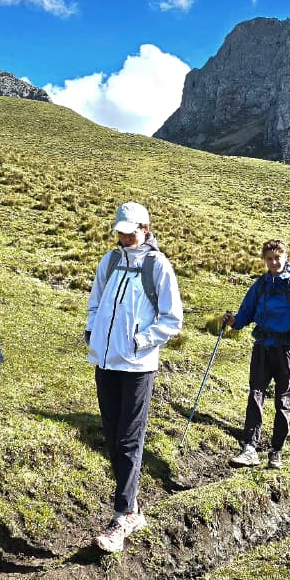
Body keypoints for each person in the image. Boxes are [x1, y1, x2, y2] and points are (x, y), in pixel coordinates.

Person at [84, 202, 183, 553]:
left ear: (146, 228)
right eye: (121, 231)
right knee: (111, 436)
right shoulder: (109, 262)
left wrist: (141, 341)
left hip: (138, 366)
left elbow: (172, 318)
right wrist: (91, 331)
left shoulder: (157, 266)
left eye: (131, 231)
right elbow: (95, 302)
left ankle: (123, 515)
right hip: (106, 361)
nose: (125, 237)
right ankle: (133, 508)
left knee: (128, 438)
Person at [223, 240, 290, 469]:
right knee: (255, 393)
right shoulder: (261, 285)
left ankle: (276, 451)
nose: (274, 262)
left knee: (282, 399)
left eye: (277, 258)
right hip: (263, 345)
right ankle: (250, 448)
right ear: (264, 260)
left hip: (288, 349)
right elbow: (245, 314)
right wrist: (233, 321)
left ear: (285, 257)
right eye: (269, 259)